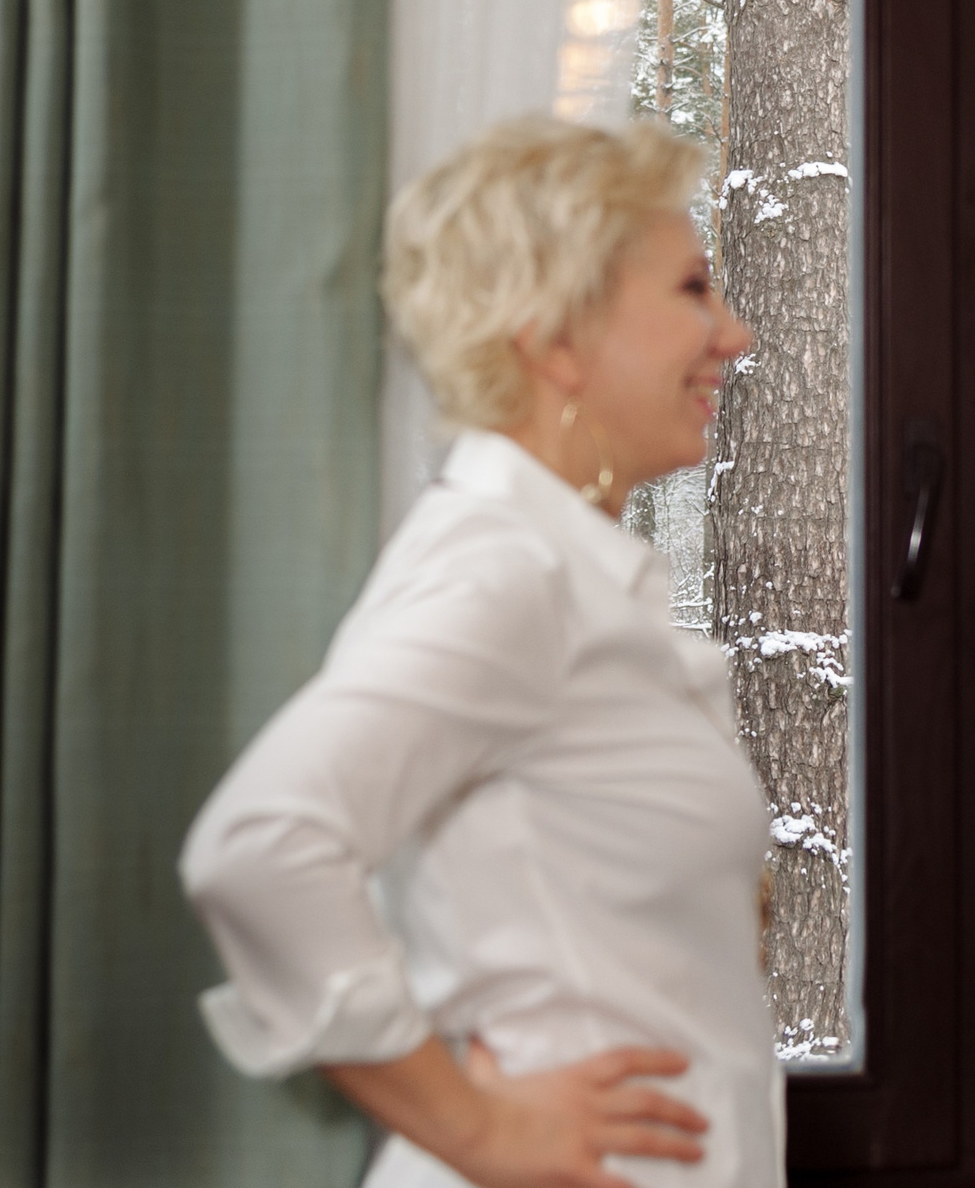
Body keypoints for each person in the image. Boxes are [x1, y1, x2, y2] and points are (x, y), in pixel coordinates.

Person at [181, 115, 773, 1188]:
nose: (732, 334)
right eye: (693, 289)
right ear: (554, 337)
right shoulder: (503, 571)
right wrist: (486, 1131)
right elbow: (259, 847)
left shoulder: (564, 567)